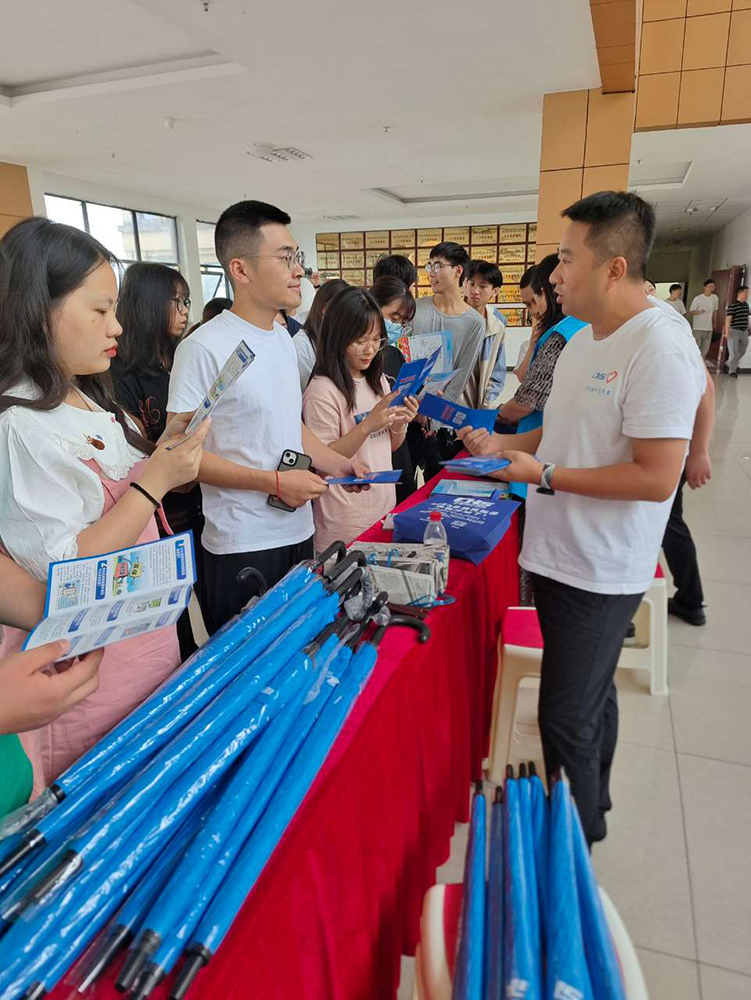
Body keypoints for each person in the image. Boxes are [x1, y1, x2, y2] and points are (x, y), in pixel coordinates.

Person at [459, 191, 707, 845]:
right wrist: (500, 447)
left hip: (600, 566)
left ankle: (575, 837)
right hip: (557, 550)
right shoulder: (579, 339)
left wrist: (542, 475)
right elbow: (557, 433)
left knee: (564, 714)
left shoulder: (656, 347)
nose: (555, 276)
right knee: (590, 696)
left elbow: (656, 477)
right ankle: (593, 804)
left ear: (614, 267)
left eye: (567, 259)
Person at [0, 217, 208, 790]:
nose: (116, 326)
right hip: (87, 671)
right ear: (36, 311)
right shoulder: (20, 425)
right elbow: (65, 573)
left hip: (141, 642)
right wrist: (153, 484)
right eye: (99, 310)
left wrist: (164, 455)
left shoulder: (87, 394)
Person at [167, 201, 368, 635]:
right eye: (285, 257)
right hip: (242, 544)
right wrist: (273, 483)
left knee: (300, 645)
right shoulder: (202, 348)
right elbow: (180, 455)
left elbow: (288, 424)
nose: (299, 271)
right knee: (250, 660)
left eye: (297, 256)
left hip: (298, 529)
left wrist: (338, 464)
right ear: (240, 269)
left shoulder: (281, 338)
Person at [110, 262, 208, 660]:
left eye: (187, 302)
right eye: (176, 302)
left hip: (196, 499)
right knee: (171, 612)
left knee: (199, 600)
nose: (184, 311)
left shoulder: (178, 362)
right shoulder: (119, 376)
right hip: (155, 510)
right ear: (148, 303)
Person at [303, 287, 417, 550]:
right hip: (344, 521)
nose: (370, 349)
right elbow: (324, 460)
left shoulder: (377, 380)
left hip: (383, 508)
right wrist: (367, 425)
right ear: (338, 338)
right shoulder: (322, 390)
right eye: (360, 341)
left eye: (377, 340)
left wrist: (401, 421)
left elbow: (390, 445)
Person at [412, 241, 485, 406]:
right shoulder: (415, 308)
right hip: (407, 407)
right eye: (429, 266)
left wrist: (435, 411)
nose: (431, 273)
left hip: (440, 410)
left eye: (438, 266)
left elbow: (462, 375)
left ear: (458, 271)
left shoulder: (475, 323)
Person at [369, 275, 418, 501]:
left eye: (402, 323)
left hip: (397, 448)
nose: (396, 326)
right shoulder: (352, 360)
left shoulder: (394, 354)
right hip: (369, 455)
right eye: (393, 318)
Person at [463, 260, 507, 408]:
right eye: (471, 284)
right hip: (451, 400)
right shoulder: (451, 315)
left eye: (482, 286)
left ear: (495, 291)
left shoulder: (497, 322)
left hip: (480, 401)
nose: (475, 291)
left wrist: (487, 402)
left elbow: (498, 368)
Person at [292, 278, 348, 392]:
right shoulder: (301, 343)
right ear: (325, 309)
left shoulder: (341, 338)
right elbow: (308, 387)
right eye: (345, 311)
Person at [723, 284, 749, 378]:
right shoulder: (733, 306)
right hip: (734, 331)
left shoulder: (746, 305)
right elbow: (728, 319)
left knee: (742, 350)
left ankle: (728, 363)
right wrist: (727, 332)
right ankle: (732, 371)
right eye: (746, 293)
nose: (747, 295)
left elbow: (746, 317)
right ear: (740, 293)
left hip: (744, 331)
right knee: (734, 352)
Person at [689, 278, 718, 358]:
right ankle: (695, 360)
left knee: (706, 347)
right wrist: (699, 312)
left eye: (713, 286)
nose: (712, 288)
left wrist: (715, 323)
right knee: (697, 345)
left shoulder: (715, 298)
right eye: (710, 286)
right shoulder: (698, 298)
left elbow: (715, 311)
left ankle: (702, 360)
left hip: (709, 326)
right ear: (704, 287)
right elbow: (691, 311)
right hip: (698, 327)